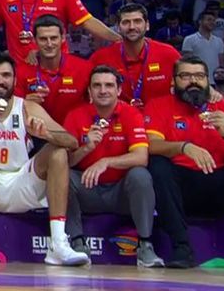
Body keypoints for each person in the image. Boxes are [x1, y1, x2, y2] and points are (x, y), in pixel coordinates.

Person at [0, 53, 88, 266]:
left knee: (58, 152)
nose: (0, 80)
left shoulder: (26, 107)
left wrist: (44, 134)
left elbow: (72, 141)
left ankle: (58, 243)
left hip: (21, 184)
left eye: (5, 75)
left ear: (14, 79)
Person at [63, 65, 163, 268]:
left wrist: (106, 162)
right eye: (97, 86)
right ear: (89, 91)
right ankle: (77, 242)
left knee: (140, 175)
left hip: (121, 193)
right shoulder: (75, 116)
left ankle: (145, 245)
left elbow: (141, 157)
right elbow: (67, 161)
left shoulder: (131, 114)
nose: (103, 90)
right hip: (87, 190)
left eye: (109, 85)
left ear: (118, 90)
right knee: (62, 175)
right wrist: (86, 147)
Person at [146, 56, 224, 268]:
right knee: (157, 163)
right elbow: (150, 145)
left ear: (207, 81)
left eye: (199, 76)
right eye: (185, 76)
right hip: (181, 190)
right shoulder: (158, 105)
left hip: (222, 187)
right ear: (174, 81)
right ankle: (182, 247)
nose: (193, 81)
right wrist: (183, 146)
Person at [91, 3, 182, 108]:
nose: (132, 27)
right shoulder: (101, 58)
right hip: (118, 122)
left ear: (147, 25)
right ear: (118, 27)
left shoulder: (168, 54)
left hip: (159, 120)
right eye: (126, 22)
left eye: (137, 21)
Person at [13, 15, 94, 125]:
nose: (49, 44)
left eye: (54, 38)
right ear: (34, 41)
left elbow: (96, 104)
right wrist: (23, 104)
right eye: (43, 39)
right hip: (36, 135)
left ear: (63, 38)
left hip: (75, 134)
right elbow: (12, 114)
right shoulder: (21, 71)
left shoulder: (84, 68)